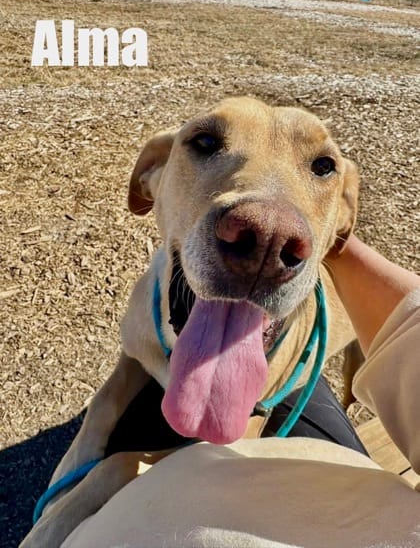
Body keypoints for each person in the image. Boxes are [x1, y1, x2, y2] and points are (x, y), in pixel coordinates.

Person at [61, 234, 420, 548]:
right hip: (357, 494)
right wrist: (336, 242)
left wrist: (118, 470)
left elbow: (232, 441)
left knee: (320, 383)